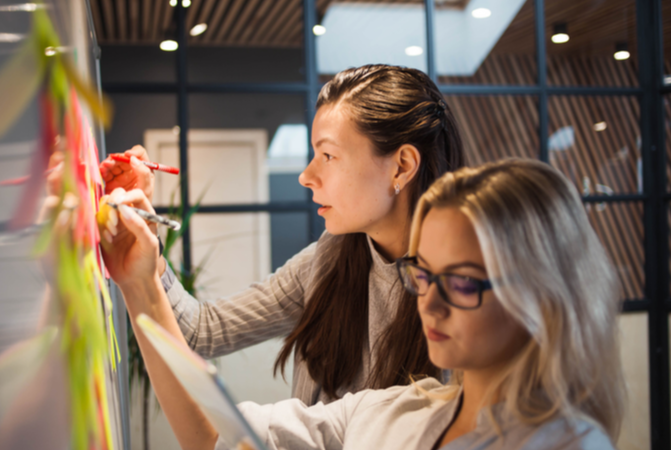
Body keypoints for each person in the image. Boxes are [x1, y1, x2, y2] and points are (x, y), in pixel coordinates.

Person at [100, 158, 625, 449]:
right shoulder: (392, 411)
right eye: (424, 275)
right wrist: (140, 283)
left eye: (462, 283)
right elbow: (218, 436)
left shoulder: (568, 444)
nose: (431, 306)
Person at [101, 64, 465, 404]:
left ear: (401, 167)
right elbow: (202, 330)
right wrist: (146, 250)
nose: (306, 176)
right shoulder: (331, 257)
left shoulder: (463, 296)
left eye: (328, 156)